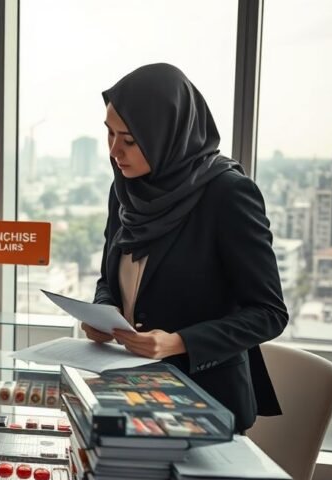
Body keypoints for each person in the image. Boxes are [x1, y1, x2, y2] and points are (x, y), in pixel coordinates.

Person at [82, 63, 288, 432]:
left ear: (166, 134)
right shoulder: (125, 190)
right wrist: (103, 313)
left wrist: (178, 342)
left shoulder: (227, 194)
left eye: (128, 140)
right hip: (127, 392)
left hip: (205, 401)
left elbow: (269, 312)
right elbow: (109, 280)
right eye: (109, 134)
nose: (114, 151)